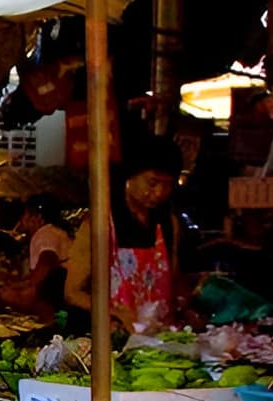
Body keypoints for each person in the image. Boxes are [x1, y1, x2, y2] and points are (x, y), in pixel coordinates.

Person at [65, 137, 193, 327]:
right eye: (152, 182)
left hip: (161, 340)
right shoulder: (101, 223)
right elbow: (72, 292)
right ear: (131, 176)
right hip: (116, 340)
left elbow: (173, 280)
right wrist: (114, 313)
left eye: (168, 185)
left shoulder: (169, 223)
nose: (159, 192)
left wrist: (186, 305)